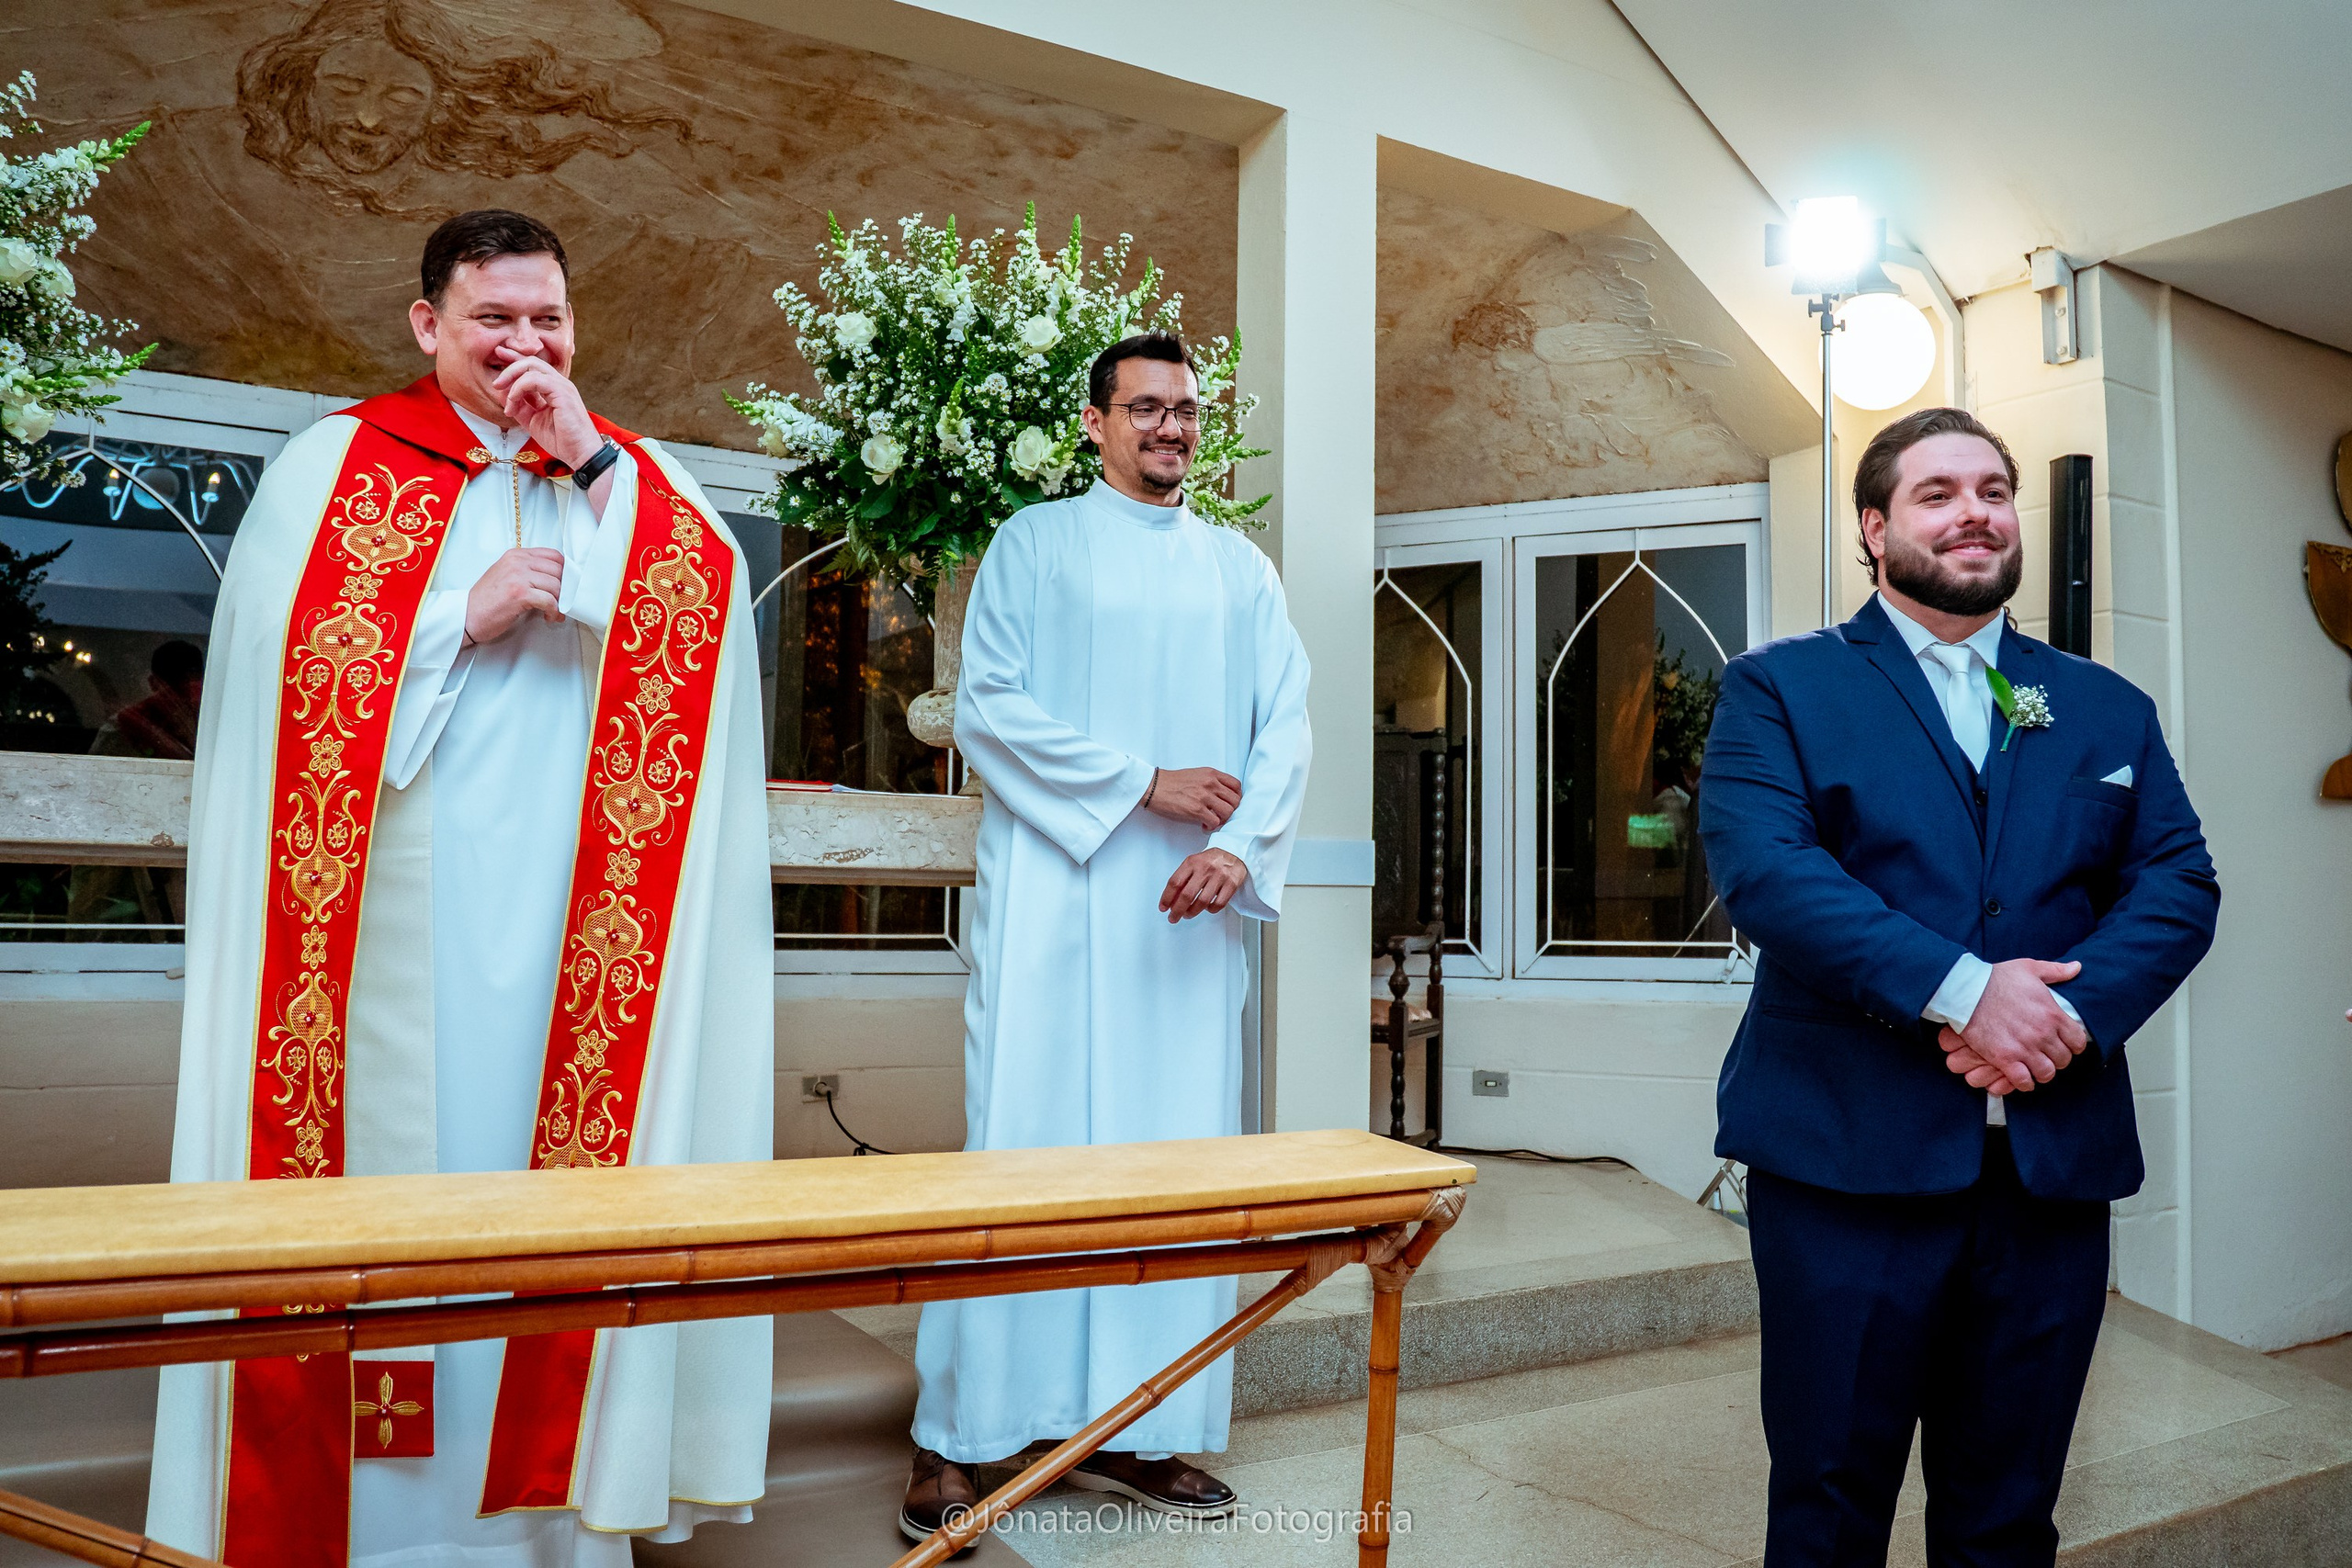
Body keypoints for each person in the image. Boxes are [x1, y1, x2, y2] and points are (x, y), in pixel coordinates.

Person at [147, 209, 775, 1568]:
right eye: (495, 319)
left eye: (547, 318)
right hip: (387, 952)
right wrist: (458, 615)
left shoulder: (624, 472)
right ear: (429, 324)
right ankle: (378, 1531)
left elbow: (713, 609)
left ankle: (548, 1525)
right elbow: (274, 687)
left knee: (545, 1228)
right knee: (406, 1219)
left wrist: (596, 457)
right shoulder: (337, 468)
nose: (525, 345)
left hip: (573, 957)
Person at [1700, 407, 2220, 1567]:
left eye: (1993, 489)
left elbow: (2178, 881)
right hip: (1844, 1167)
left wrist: (2064, 1017)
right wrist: (1964, 992)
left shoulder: (2098, 704)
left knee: (2007, 1510)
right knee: (1830, 1501)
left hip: (2045, 1172)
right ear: (1874, 529)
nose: (1974, 511)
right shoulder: (1777, 689)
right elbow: (1768, 877)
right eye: (1936, 493)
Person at [899, 333, 1312, 1540]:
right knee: (1023, 1159)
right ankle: (957, 1436)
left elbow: (1284, 722)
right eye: (1145, 407)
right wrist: (1143, 783)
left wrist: (1241, 845)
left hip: (1184, 933)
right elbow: (989, 706)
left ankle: (1149, 1423)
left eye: (1185, 409)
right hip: (1051, 910)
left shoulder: (1241, 570)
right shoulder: (1035, 545)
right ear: (1095, 423)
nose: (1170, 426)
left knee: (1172, 1173)